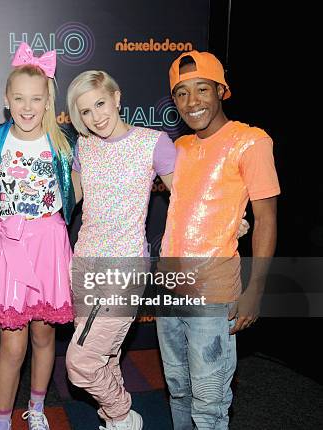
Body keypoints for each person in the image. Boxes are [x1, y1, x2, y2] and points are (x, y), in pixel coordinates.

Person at [156, 50, 280, 429]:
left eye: (201, 89)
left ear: (221, 90)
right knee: (178, 390)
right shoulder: (177, 149)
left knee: (209, 404)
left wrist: (255, 289)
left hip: (214, 295)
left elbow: (266, 220)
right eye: (181, 93)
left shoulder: (251, 141)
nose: (192, 102)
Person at [64, 70, 176, 430]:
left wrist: (228, 220)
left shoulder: (153, 142)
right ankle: (116, 421)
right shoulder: (84, 147)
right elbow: (70, 200)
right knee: (104, 355)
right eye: (85, 111)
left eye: (100, 103)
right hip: (85, 263)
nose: (96, 116)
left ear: (116, 96)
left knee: (81, 362)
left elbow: (185, 198)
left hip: (125, 267)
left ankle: (123, 415)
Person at [0, 42, 77, 430]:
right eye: (19, 98)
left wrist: (44, 221)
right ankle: (2, 420)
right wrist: (6, 223)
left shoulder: (64, 141)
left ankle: (36, 409)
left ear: (48, 99)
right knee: (12, 345)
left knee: (44, 336)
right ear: (6, 99)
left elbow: (75, 193)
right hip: (9, 245)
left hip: (49, 245)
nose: (28, 107)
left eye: (36, 99)